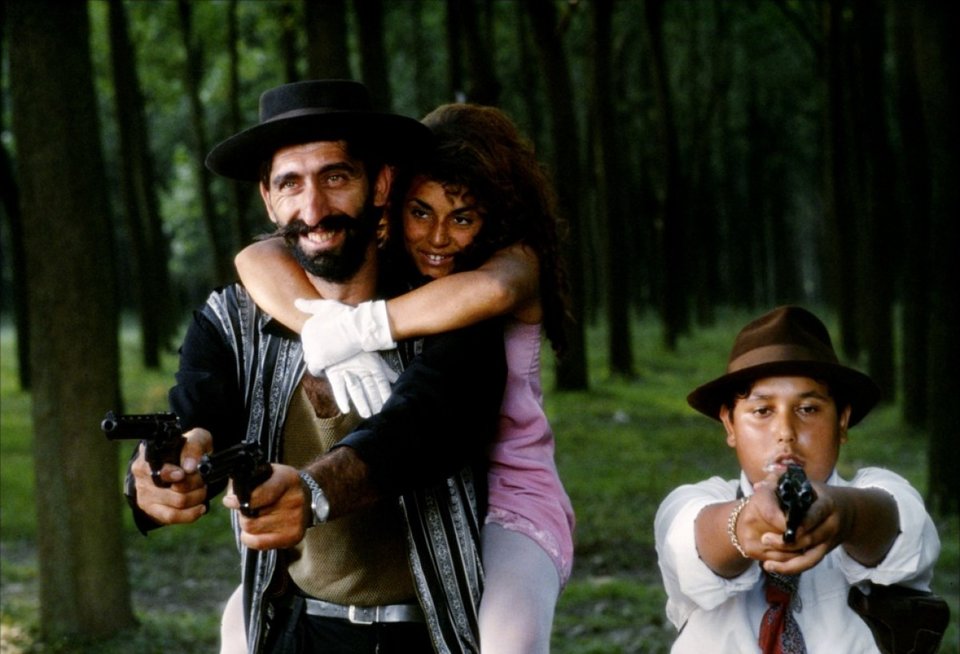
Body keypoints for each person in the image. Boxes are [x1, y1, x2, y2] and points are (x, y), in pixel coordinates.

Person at [124, 79, 507, 654]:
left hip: (429, 634)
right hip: (295, 630)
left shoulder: (446, 302)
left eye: (336, 177)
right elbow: (196, 413)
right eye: (290, 184)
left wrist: (314, 491)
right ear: (268, 199)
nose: (314, 209)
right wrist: (160, 474)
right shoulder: (231, 319)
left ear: (380, 185)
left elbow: (428, 427)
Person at [234, 102, 576, 653]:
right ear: (392, 201)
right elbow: (256, 257)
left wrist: (350, 330)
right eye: (421, 212)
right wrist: (318, 326)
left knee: (506, 644)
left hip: (512, 499)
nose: (438, 237)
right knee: (242, 620)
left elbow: (488, 292)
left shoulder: (513, 264)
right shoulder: (398, 267)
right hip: (438, 498)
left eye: (462, 218)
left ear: (496, 216)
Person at [654, 306, 941, 653]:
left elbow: (897, 521)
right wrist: (743, 526)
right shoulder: (698, 502)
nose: (785, 432)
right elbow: (688, 539)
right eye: (762, 411)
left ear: (842, 420)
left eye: (808, 409)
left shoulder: (878, 492)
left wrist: (844, 515)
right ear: (730, 424)